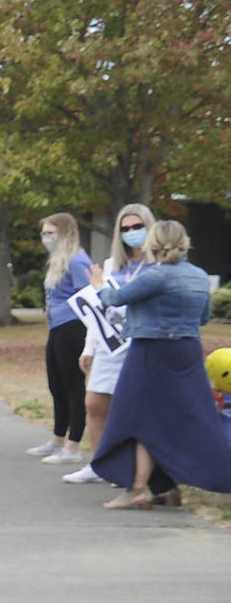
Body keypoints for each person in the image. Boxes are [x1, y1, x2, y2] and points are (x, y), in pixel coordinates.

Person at [90, 220, 231, 509]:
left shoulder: (156, 276)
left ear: (154, 243)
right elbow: (203, 318)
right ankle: (165, 487)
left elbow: (115, 299)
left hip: (151, 349)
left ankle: (140, 487)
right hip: (188, 350)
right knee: (173, 418)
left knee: (135, 416)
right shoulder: (199, 276)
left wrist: (99, 286)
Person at [63, 204, 154, 485]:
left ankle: (130, 470)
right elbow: (97, 307)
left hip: (140, 344)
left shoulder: (158, 265)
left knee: (131, 409)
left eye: (137, 227)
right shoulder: (112, 265)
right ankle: (99, 465)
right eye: (125, 229)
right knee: (94, 404)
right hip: (108, 343)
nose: (131, 233)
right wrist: (88, 347)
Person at [32, 213, 95, 465]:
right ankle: (58, 438)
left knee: (73, 386)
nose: (46, 238)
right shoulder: (58, 260)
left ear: (65, 233)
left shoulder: (78, 261)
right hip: (57, 325)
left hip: (73, 326)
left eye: (51, 233)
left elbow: (88, 297)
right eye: (44, 233)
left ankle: (73, 446)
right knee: (56, 383)